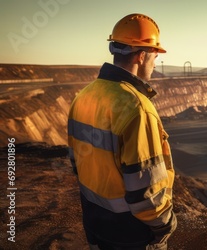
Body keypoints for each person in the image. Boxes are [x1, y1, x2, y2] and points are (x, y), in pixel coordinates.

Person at [67, 13, 176, 249]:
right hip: (130, 233)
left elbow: (77, 162)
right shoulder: (137, 108)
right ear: (141, 55)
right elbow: (144, 190)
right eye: (154, 56)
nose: (155, 64)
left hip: (94, 221)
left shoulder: (84, 95)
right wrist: (164, 224)